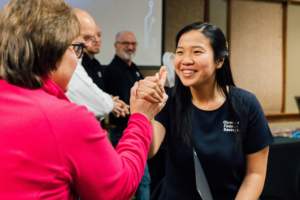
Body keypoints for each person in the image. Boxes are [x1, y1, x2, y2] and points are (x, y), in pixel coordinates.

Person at [0, 0, 167, 199]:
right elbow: (119, 188)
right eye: (77, 48)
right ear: (54, 49)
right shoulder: (64, 119)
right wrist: (141, 116)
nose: (77, 59)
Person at [136, 22, 274, 200]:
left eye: (197, 51)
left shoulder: (245, 104)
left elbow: (255, 174)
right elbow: (149, 151)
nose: (185, 60)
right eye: (180, 52)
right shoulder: (169, 101)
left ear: (219, 60)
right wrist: (146, 108)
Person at [103, 31, 150, 200]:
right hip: (124, 132)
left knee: (143, 180)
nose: (130, 47)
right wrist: (144, 110)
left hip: (135, 129)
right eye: (125, 43)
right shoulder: (114, 71)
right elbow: (125, 107)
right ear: (116, 45)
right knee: (140, 181)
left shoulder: (133, 68)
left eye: (133, 44)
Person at [66, 9, 129, 122]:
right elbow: (101, 104)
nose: (91, 42)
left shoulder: (95, 64)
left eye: (97, 36)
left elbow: (96, 97)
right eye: (86, 38)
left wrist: (107, 101)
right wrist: (108, 103)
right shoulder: (72, 61)